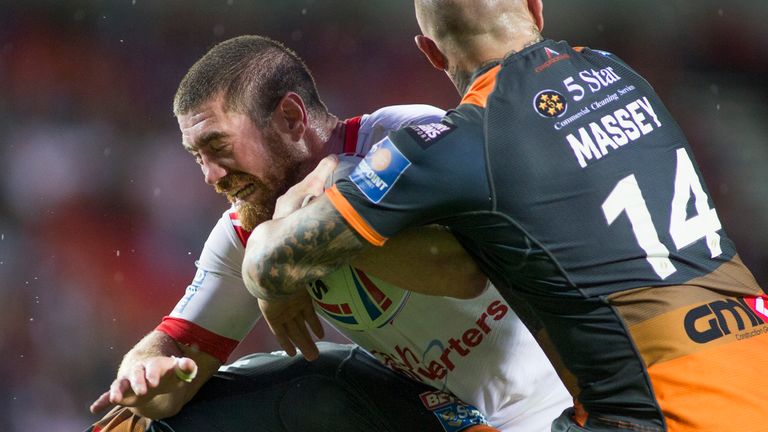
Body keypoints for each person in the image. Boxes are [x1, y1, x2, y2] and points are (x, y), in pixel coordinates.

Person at [241, 1, 768, 431]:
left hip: (656, 414)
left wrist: (322, 179)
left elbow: (274, 264)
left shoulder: (455, 142)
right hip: (755, 370)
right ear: (536, 10)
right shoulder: (620, 72)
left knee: (348, 393)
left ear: (431, 53)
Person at [87, 35, 570, 432]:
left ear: (292, 119)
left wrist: (299, 248)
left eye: (219, 147)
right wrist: (144, 377)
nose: (212, 176)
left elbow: (463, 270)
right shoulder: (246, 230)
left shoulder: (407, 136)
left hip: (565, 402)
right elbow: (173, 354)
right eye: (198, 156)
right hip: (440, 414)